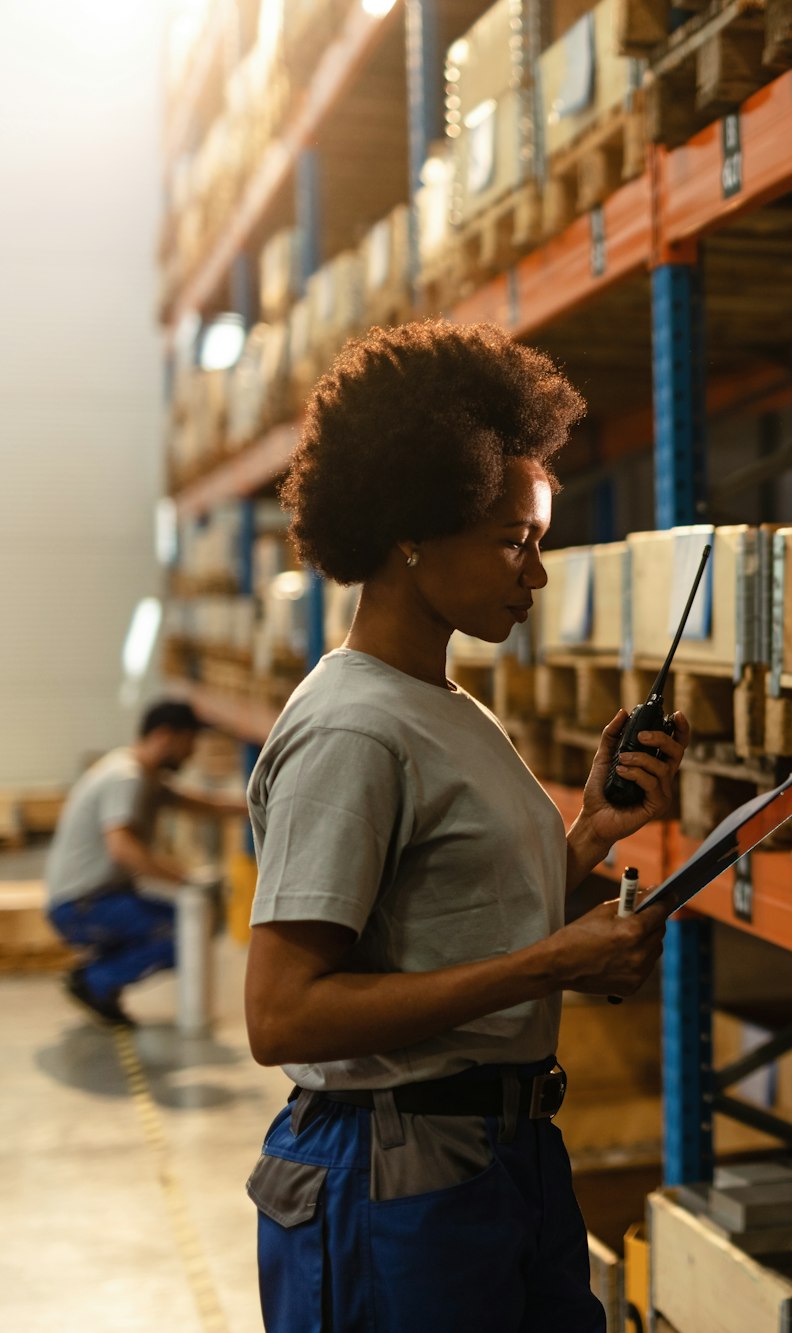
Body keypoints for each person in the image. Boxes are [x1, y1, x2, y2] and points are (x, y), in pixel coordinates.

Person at [240, 321, 686, 1331]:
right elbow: (284, 1016)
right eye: (513, 542)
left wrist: (586, 840)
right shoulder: (352, 730)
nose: (532, 575)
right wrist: (549, 966)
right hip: (393, 1176)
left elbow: (448, 916)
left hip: (496, 1155)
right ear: (412, 529)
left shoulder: (438, 702)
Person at [44, 699, 243, 1028]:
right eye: (189, 743)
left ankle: (96, 977)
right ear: (166, 736)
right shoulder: (127, 778)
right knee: (182, 933)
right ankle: (95, 981)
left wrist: (251, 807)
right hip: (82, 905)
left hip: (96, 899)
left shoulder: (143, 776)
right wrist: (186, 881)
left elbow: (195, 803)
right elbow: (122, 847)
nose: (192, 753)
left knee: (186, 925)